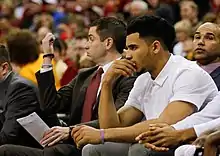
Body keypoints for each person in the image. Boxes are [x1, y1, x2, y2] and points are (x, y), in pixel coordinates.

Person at [72, 15, 218, 156]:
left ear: (155, 47)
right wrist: (106, 83)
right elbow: (113, 125)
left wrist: (102, 134)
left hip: (193, 142)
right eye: (127, 49)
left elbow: (163, 125)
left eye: (133, 48)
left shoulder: (188, 73)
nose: (127, 55)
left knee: (139, 149)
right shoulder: (143, 80)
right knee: (93, 149)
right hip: (158, 141)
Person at [0, 17, 137, 156]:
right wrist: (47, 57)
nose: (86, 45)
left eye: (91, 39)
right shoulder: (85, 75)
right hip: (70, 144)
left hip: (98, 145)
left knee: (5, 151)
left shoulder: (128, 77)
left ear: (108, 43)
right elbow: (52, 104)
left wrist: (71, 130)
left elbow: (115, 121)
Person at [134, 22, 220, 156]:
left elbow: (212, 117)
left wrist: (177, 132)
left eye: (209, 38)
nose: (200, 42)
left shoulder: (193, 74)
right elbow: (207, 114)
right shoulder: (180, 68)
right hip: (178, 131)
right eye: (197, 37)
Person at [0, 45, 59, 148]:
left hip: (40, 149)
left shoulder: (19, 88)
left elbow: (8, 136)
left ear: (4, 68)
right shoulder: (6, 86)